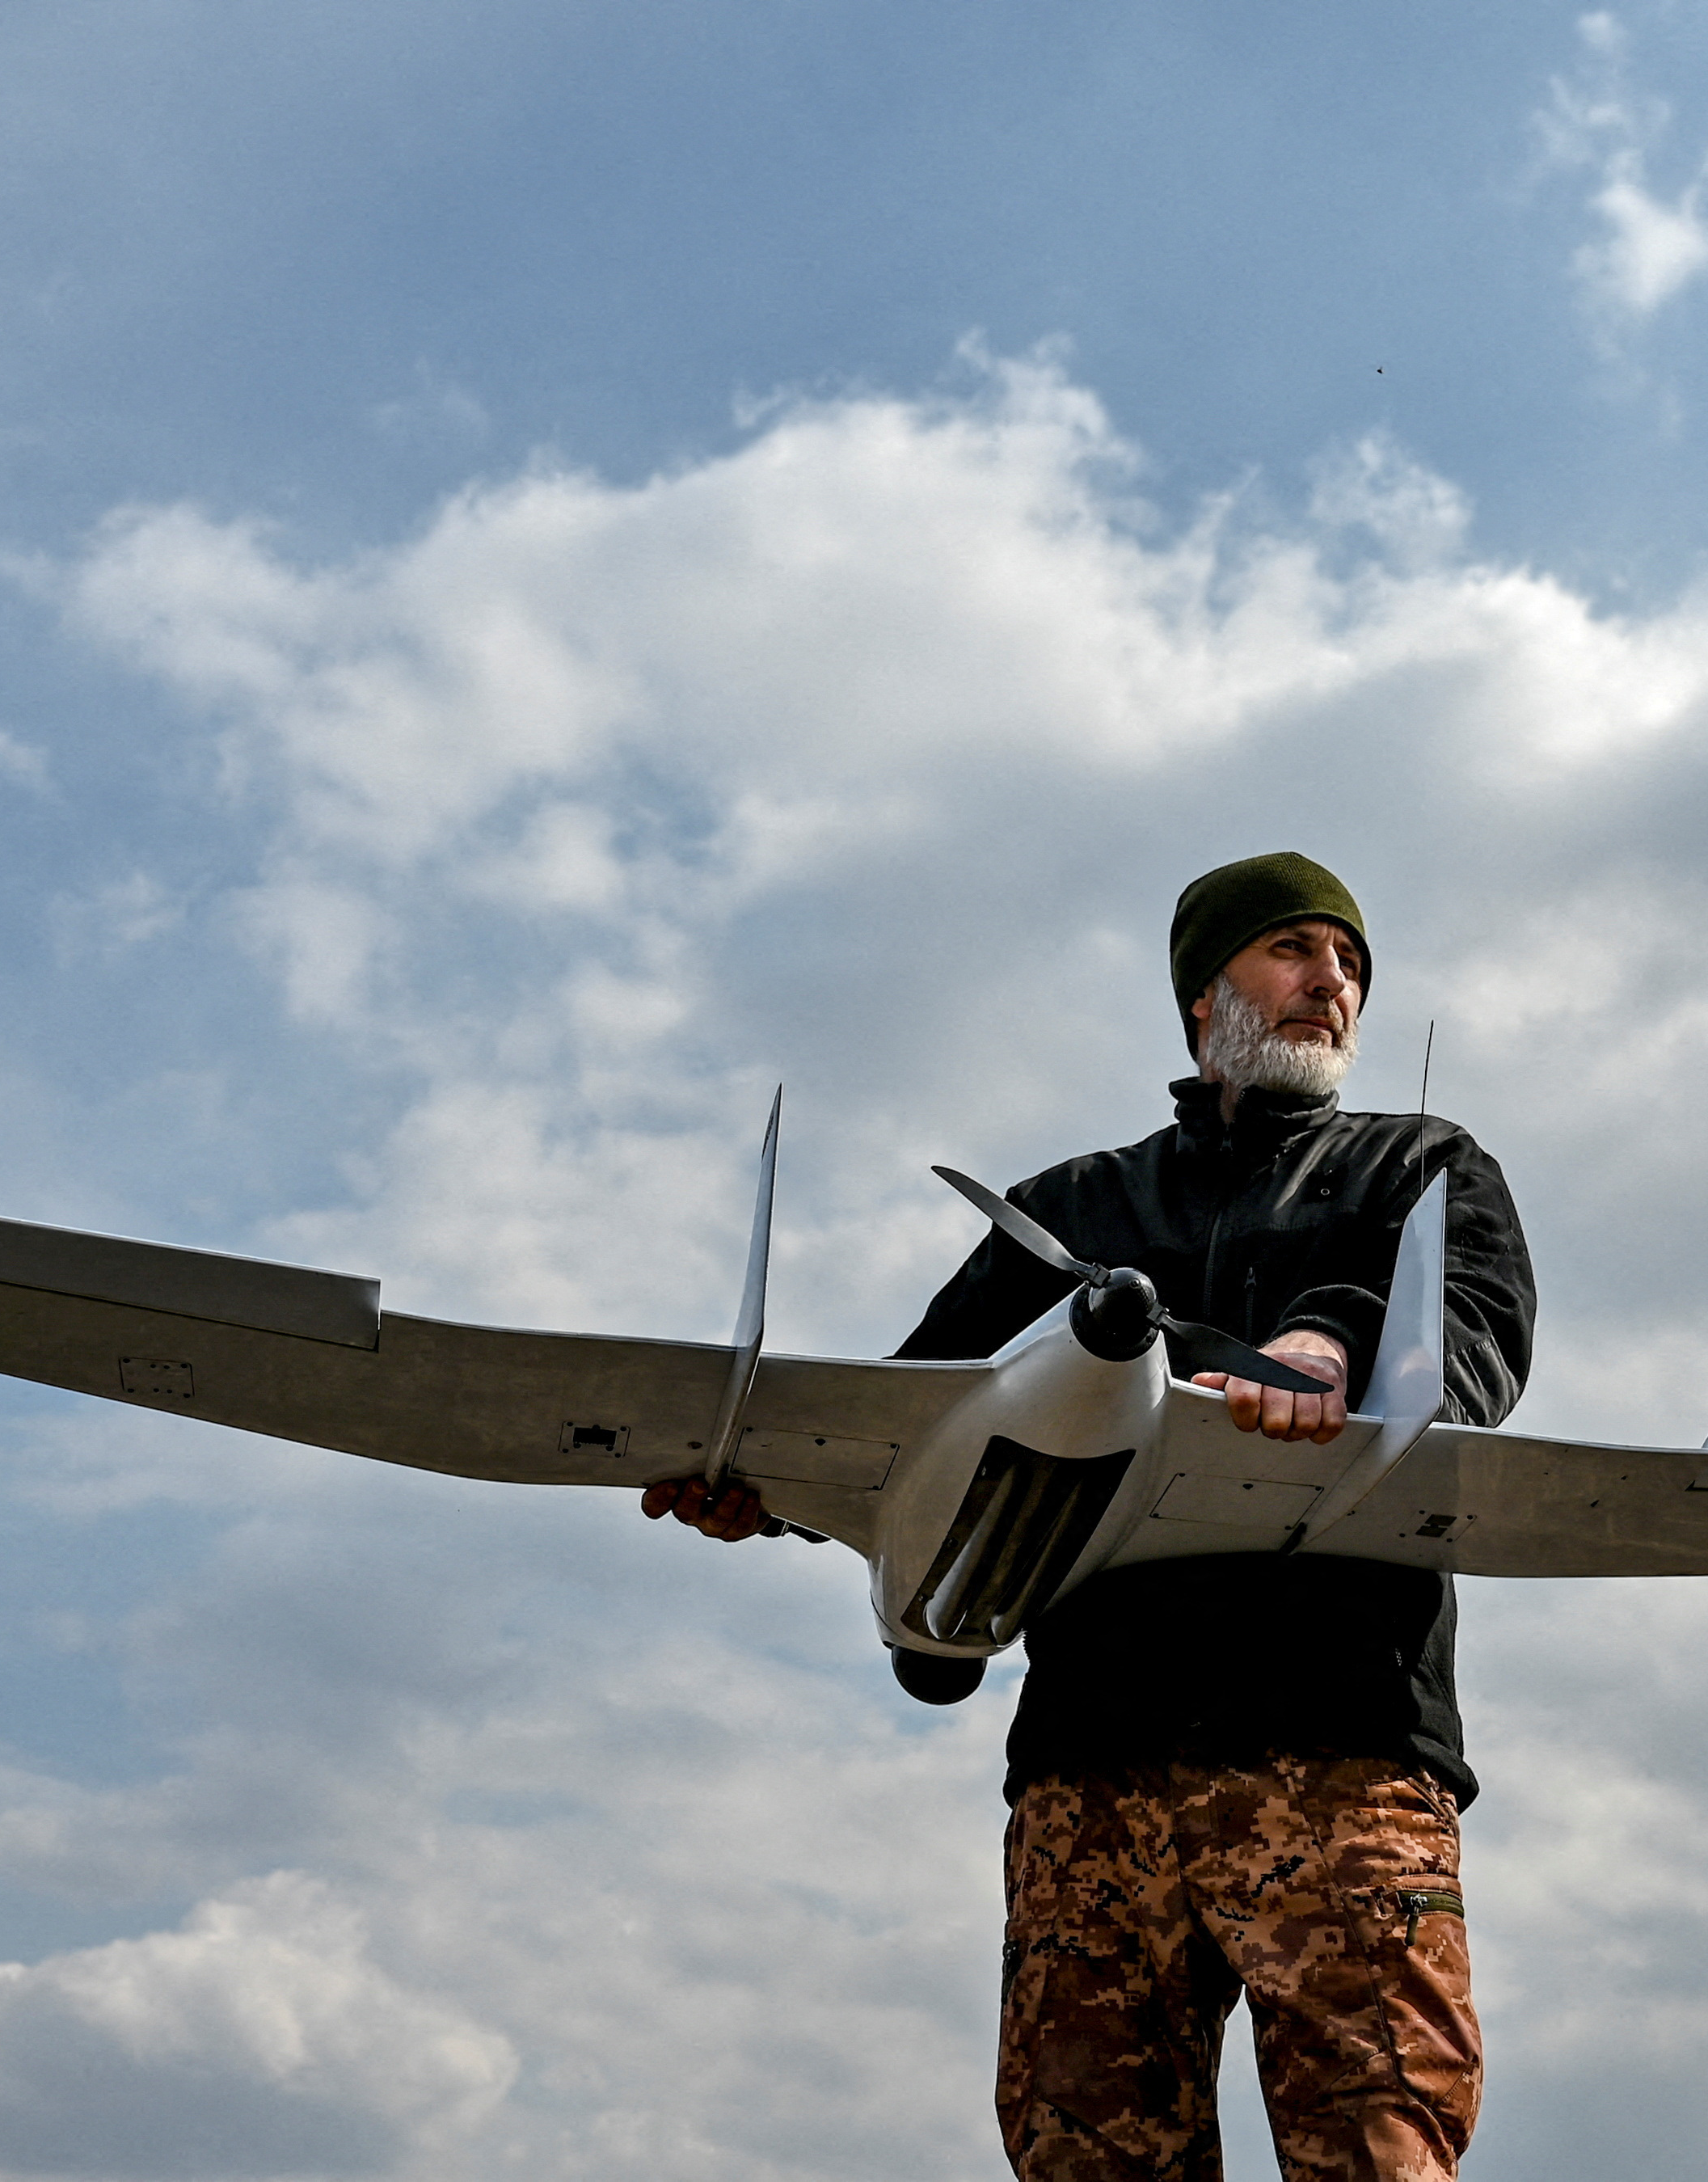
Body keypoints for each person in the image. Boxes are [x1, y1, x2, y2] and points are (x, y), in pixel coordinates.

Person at [643, 851, 1536, 2182]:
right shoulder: (1071, 1210)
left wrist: (1332, 1341)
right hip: (1094, 1769)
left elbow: (1473, 1334)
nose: (1333, 983)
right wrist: (766, 1489)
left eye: (1350, 963)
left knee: (1379, 2148)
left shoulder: (1421, 1165)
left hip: (1340, 1749)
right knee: (1087, 2156)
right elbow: (925, 1414)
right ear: (1203, 997)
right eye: (1295, 949)